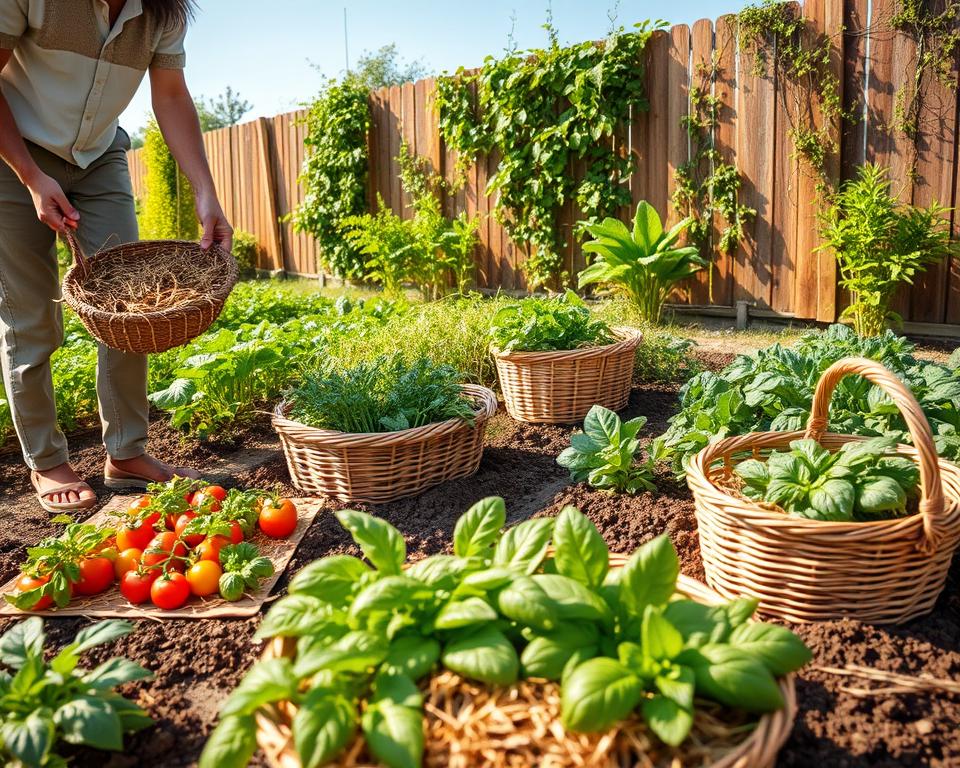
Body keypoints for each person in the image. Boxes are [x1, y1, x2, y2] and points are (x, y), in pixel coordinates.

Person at [0, 0, 233, 512]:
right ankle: (46, 460)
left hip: (99, 154)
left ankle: (126, 453)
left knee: (132, 306)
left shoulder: (163, 13)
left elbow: (170, 95)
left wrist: (205, 194)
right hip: (14, 150)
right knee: (31, 315)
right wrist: (32, 178)